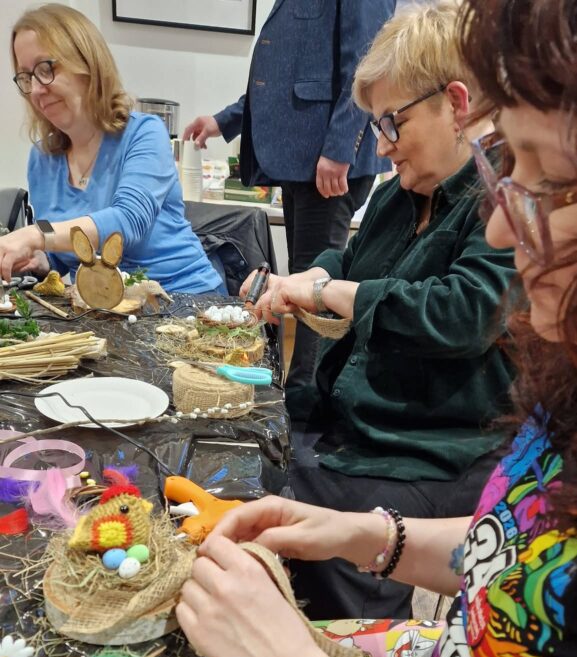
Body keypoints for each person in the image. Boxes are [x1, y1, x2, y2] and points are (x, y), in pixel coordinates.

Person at [176, 0, 577, 657]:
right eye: (505, 168)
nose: (499, 225)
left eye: (547, 182)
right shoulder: (562, 381)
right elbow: (515, 557)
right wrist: (370, 537)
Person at [244, 0, 517, 622]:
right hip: (368, 421)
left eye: (392, 123)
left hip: (434, 444)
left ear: (456, 104)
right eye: (375, 127)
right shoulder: (402, 193)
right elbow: (349, 261)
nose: (383, 147)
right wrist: (310, 277)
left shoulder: (503, 200)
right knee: (248, 457)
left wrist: (329, 294)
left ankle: (347, 648)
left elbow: (461, 313)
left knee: (308, 531)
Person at [183, 0, 396, 391]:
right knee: (302, 283)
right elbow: (279, 83)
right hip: (302, 161)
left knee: (314, 288)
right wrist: (223, 121)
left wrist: (340, 147)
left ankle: (303, 402)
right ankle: (294, 393)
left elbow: (367, 62)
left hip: (325, 159)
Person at [0, 4, 224, 295]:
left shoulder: (144, 133)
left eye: (46, 69)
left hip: (183, 298)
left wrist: (36, 235)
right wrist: (41, 259)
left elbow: (128, 221)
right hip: (101, 306)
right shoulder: (42, 159)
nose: (37, 89)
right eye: (26, 77)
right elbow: (62, 248)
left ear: (87, 65)